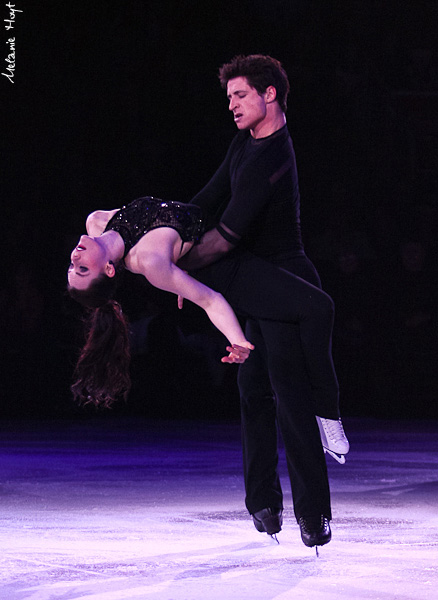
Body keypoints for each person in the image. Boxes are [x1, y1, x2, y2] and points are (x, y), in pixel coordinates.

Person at [178, 54, 349, 549]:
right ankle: (263, 503)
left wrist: (175, 268)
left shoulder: (275, 153)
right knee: (252, 388)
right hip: (246, 281)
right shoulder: (242, 143)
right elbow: (205, 201)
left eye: (240, 95)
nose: (231, 105)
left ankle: (313, 514)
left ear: (269, 94)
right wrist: (166, 230)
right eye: (229, 97)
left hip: (281, 275)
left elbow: (227, 235)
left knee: (288, 395)